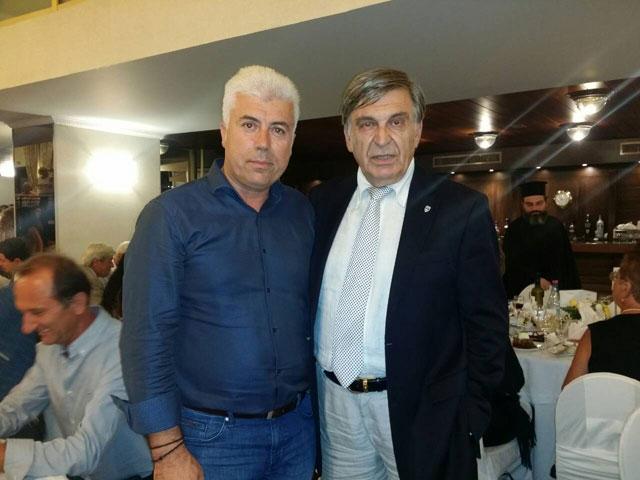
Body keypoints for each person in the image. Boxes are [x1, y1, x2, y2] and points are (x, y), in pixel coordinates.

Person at [309, 68, 507, 480]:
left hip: (425, 417)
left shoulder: (460, 210)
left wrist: (471, 417)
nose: (382, 139)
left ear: (417, 131)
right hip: (336, 410)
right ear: (348, 137)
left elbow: (487, 326)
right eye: (367, 124)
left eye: (396, 122)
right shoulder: (321, 204)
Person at [119, 65, 315, 479]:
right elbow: (146, 336)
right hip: (210, 438)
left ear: (293, 141)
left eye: (278, 130)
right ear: (224, 132)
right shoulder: (170, 217)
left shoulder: (302, 213)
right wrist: (166, 450)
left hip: (297, 429)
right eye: (249, 124)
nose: (263, 143)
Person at [0, 253, 152, 480]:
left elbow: (87, 449)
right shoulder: (49, 348)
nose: (26, 327)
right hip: (72, 471)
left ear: (78, 303)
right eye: (24, 313)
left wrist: (5, 455)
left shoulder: (122, 351)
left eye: (37, 312)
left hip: (124, 475)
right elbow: (19, 406)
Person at [563, 252, 640, 386]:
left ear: (625, 288)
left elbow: (570, 390)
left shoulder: (595, 334)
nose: (613, 283)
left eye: (615, 277)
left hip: (605, 400)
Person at [503, 181, 581, 298]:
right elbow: (511, 265)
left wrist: (553, 283)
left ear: (546, 202)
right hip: (523, 291)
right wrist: (536, 280)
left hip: (555, 289)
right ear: (522, 204)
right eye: (529, 204)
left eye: (539, 203)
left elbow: (566, 263)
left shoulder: (556, 227)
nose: (535, 208)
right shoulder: (514, 229)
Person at [0, 237, 37, 400]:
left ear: (16, 261)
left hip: (16, 363)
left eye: (2, 260)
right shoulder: (9, 289)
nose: (0, 264)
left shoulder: (13, 293)